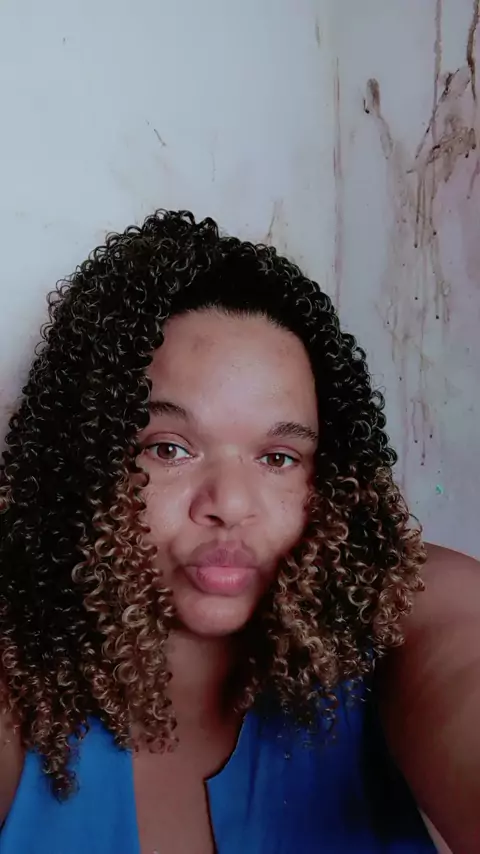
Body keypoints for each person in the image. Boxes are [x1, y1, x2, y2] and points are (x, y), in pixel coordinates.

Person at [0, 209, 477, 854]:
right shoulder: (18, 673)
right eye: (168, 449)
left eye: (278, 457)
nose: (229, 504)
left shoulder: (400, 611)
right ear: (85, 459)